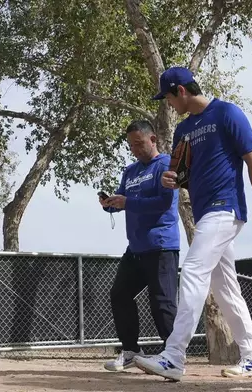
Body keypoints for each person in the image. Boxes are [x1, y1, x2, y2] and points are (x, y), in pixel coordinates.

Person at [133, 67, 252, 381]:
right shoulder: (183, 131)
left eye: (169, 98)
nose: (169, 105)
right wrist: (172, 179)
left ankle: (173, 356)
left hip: (225, 208)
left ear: (181, 91)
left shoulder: (227, 113)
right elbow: (180, 174)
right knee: (225, 288)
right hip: (204, 213)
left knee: (193, 271)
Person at [99, 120, 180, 372]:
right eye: (131, 145)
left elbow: (164, 203)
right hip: (135, 248)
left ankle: (173, 357)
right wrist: (110, 204)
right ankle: (131, 350)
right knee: (119, 294)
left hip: (161, 244)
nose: (134, 149)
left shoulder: (166, 165)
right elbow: (123, 200)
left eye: (138, 143)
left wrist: (128, 202)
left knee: (162, 302)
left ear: (152, 139)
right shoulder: (130, 171)